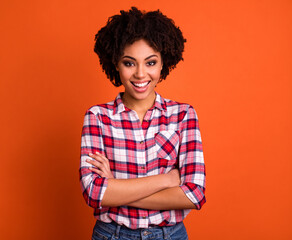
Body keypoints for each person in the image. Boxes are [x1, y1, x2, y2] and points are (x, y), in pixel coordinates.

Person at [80, 7, 206, 240]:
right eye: (129, 63)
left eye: (150, 63)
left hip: (170, 234)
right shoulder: (98, 117)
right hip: (112, 234)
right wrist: (166, 180)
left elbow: (193, 195)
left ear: (162, 64)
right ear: (116, 64)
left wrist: (116, 188)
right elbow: (94, 193)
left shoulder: (183, 115)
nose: (140, 74)